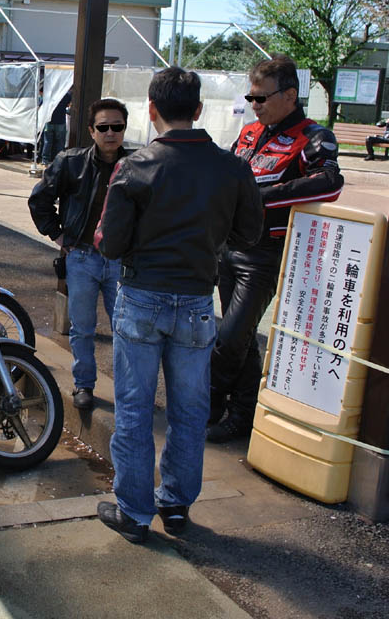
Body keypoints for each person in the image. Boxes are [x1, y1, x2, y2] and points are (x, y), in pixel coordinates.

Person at [93, 67, 262, 542]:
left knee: (134, 408)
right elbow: (250, 234)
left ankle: (134, 513)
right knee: (189, 410)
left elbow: (109, 243)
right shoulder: (232, 167)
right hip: (196, 301)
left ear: (151, 110)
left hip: (141, 297)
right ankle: (177, 506)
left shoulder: (136, 166)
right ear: (199, 109)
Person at [208, 55, 343, 443]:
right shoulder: (249, 133)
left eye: (261, 98)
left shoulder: (313, 137)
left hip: (266, 254)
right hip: (229, 248)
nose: (255, 105)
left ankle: (210, 404)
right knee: (241, 338)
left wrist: (260, 196)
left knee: (230, 338)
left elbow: (329, 183)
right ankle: (241, 414)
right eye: (250, 98)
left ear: (289, 95)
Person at [28, 97, 130, 410]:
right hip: (82, 257)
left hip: (122, 261)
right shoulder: (71, 162)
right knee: (82, 328)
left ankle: (128, 391)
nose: (110, 133)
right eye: (104, 127)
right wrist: (59, 236)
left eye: (117, 127)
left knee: (126, 329)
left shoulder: (136, 165)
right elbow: (39, 200)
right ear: (91, 130)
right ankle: (84, 384)